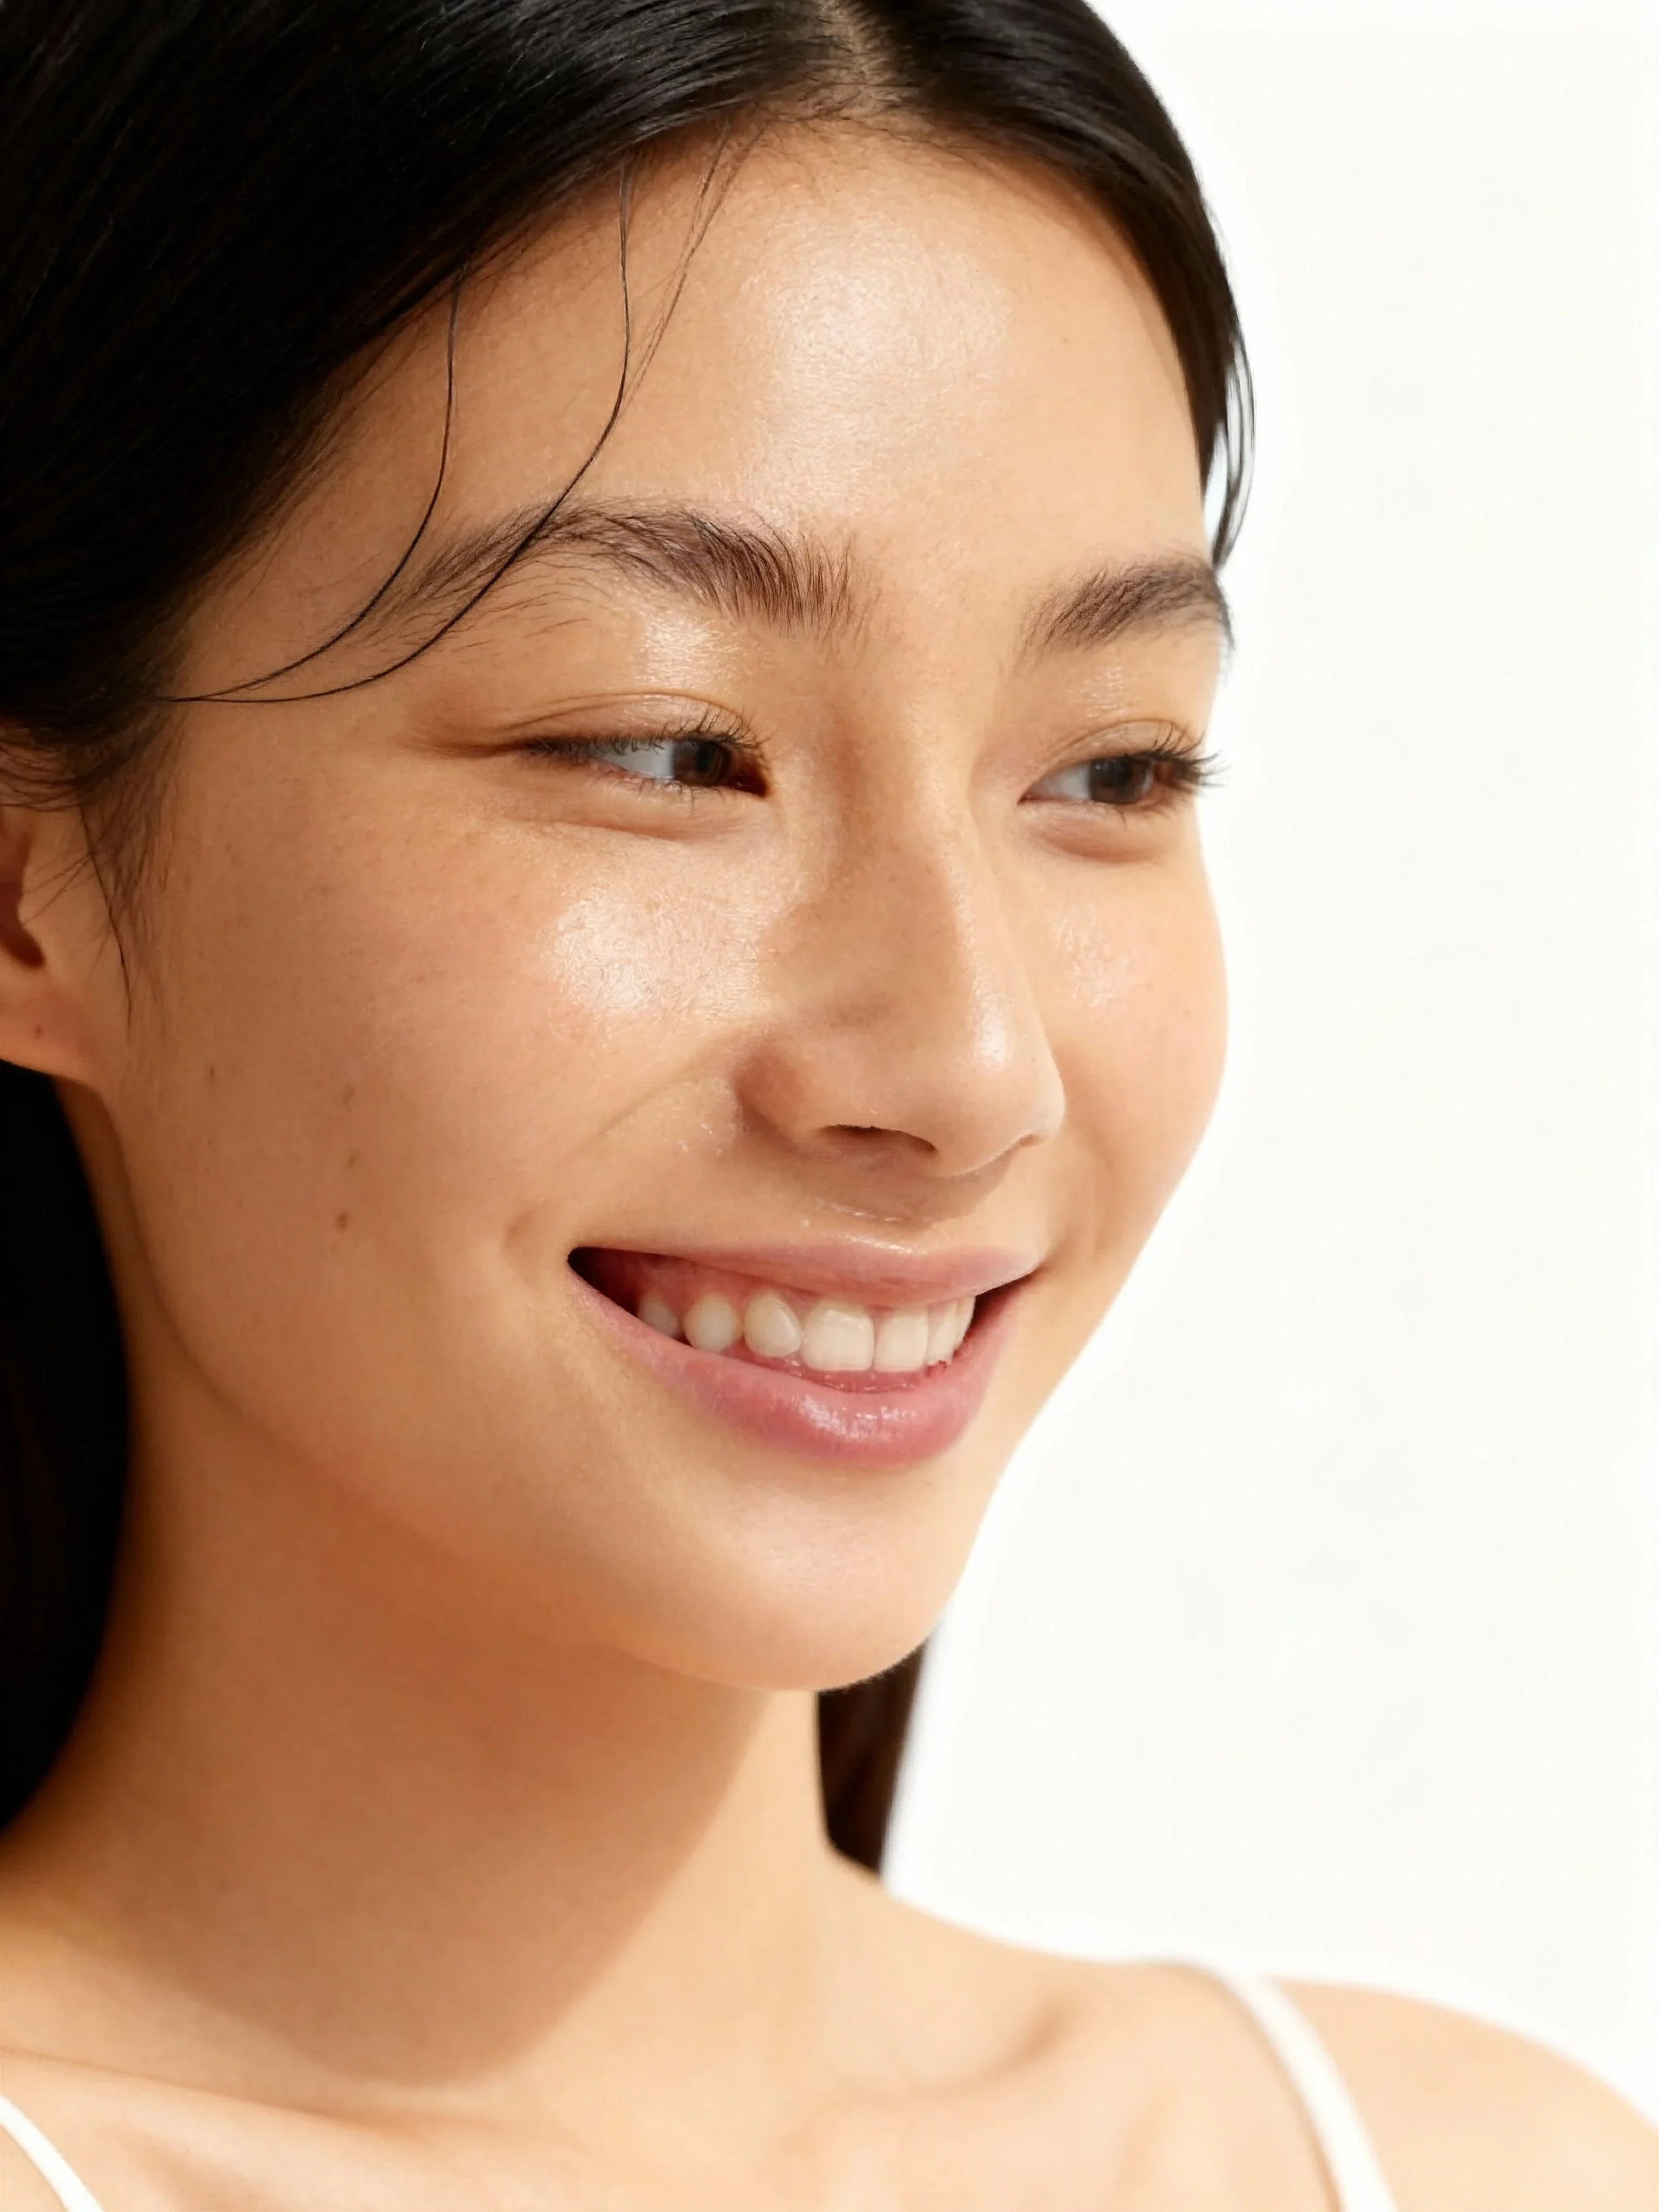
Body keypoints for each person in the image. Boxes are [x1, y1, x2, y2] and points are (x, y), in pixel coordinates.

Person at [0, 2, 1652, 2205]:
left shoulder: (1474, 2170)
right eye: (671, 748)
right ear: (27, 895)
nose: (970, 1066)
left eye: (1109, 770)